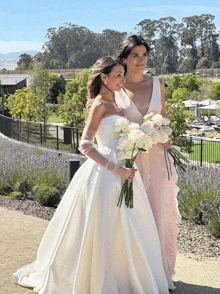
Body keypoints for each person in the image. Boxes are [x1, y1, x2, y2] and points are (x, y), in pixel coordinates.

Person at [13, 57, 170, 294]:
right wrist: (116, 169)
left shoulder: (118, 102)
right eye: (118, 75)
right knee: (103, 228)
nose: (123, 79)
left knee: (131, 227)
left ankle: (127, 278)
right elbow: (85, 145)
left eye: (122, 74)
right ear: (103, 78)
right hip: (105, 175)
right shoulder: (99, 105)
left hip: (127, 172)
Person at [87, 35, 181, 290]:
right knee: (134, 217)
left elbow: (163, 118)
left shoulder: (158, 84)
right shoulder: (115, 86)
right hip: (129, 162)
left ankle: (160, 274)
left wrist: (166, 136)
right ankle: (132, 274)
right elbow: (101, 116)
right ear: (124, 59)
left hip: (159, 161)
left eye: (144, 54)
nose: (141, 60)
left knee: (160, 214)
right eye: (135, 55)